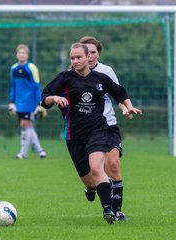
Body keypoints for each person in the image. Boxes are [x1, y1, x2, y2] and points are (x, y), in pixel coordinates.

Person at [41, 43, 141, 224]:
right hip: (74, 135)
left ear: (89, 57)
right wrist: (54, 98)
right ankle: (91, 188)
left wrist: (129, 107)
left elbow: (120, 92)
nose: (75, 61)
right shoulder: (65, 78)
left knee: (97, 167)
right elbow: (44, 98)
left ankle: (108, 210)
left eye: (78, 57)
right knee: (89, 181)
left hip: (98, 131)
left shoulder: (101, 78)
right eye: (72, 58)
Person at [79, 36, 131, 221]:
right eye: (87, 52)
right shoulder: (73, 72)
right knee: (94, 172)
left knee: (113, 165)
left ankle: (116, 210)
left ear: (98, 54)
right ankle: (91, 186)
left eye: (94, 52)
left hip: (108, 125)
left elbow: (118, 95)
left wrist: (125, 108)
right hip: (86, 130)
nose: (90, 56)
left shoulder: (106, 71)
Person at [8, 44, 47, 159]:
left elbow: (36, 87)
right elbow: (13, 87)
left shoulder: (32, 68)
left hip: (29, 102)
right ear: (16, 55)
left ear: (27, 55)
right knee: (28, 126)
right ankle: (41, 151)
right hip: (18, 103)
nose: (21, 55)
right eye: (19, 53)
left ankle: (23, 153)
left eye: (24, 53)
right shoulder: (13, 68)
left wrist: (41, 104)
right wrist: (11, 102)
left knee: (24, 124)